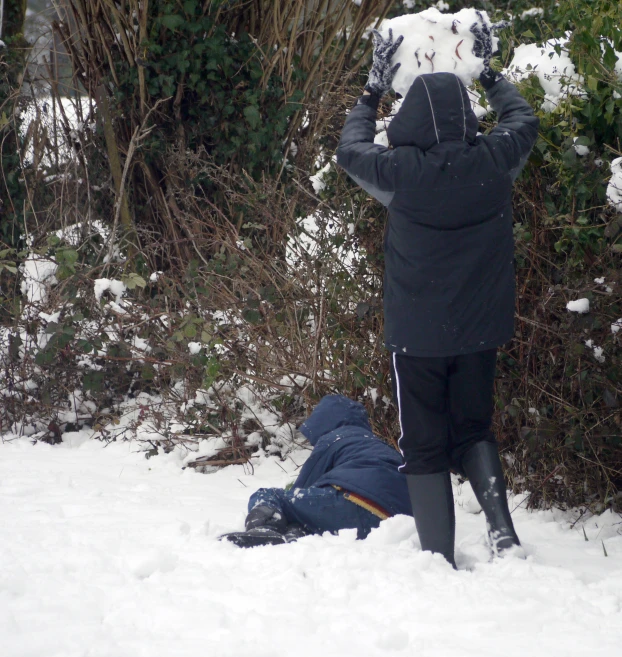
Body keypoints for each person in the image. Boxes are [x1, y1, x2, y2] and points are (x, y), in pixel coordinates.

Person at [335, 17, 539, 567]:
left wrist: (372, 89)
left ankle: (437, 556)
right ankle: (502, 535)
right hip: (480, 329)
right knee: (474, 426)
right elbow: (522, 120)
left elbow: (350, 147)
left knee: (423, 444)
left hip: (418, 336)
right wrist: (490, 73)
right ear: (465, 117)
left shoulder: (398, 174)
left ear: (410, 120)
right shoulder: (496, 163)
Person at [221, 394, 412, 548]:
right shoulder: (378, 446)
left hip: (353, 504)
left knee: (271, 496)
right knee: (309, 511)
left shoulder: (334, 438)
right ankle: (298, 532)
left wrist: (289, 503)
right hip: (396, 521)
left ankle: (264, 529)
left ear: (325, 422)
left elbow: (304, 486)